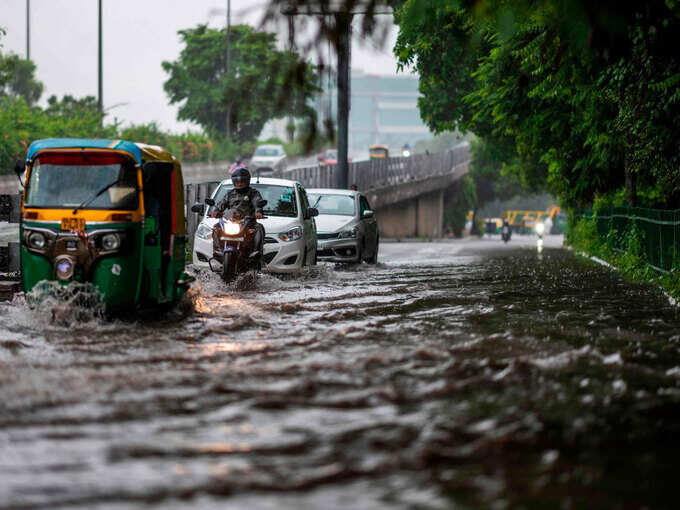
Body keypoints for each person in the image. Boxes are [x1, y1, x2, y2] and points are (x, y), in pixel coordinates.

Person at [213, 166, 265, 256]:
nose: (240, 184)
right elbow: (221, 203)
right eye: (237, 182)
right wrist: (216, 211)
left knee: (259, 228)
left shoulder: (253, 193)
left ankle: (256, 252)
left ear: (247, 181)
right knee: (216, 227)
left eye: (242, 182)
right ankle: (218, 250)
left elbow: (257, 202)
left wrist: (258, 212)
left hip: (248, 222)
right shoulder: (229, 194)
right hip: (232, 221)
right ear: (234, 182)